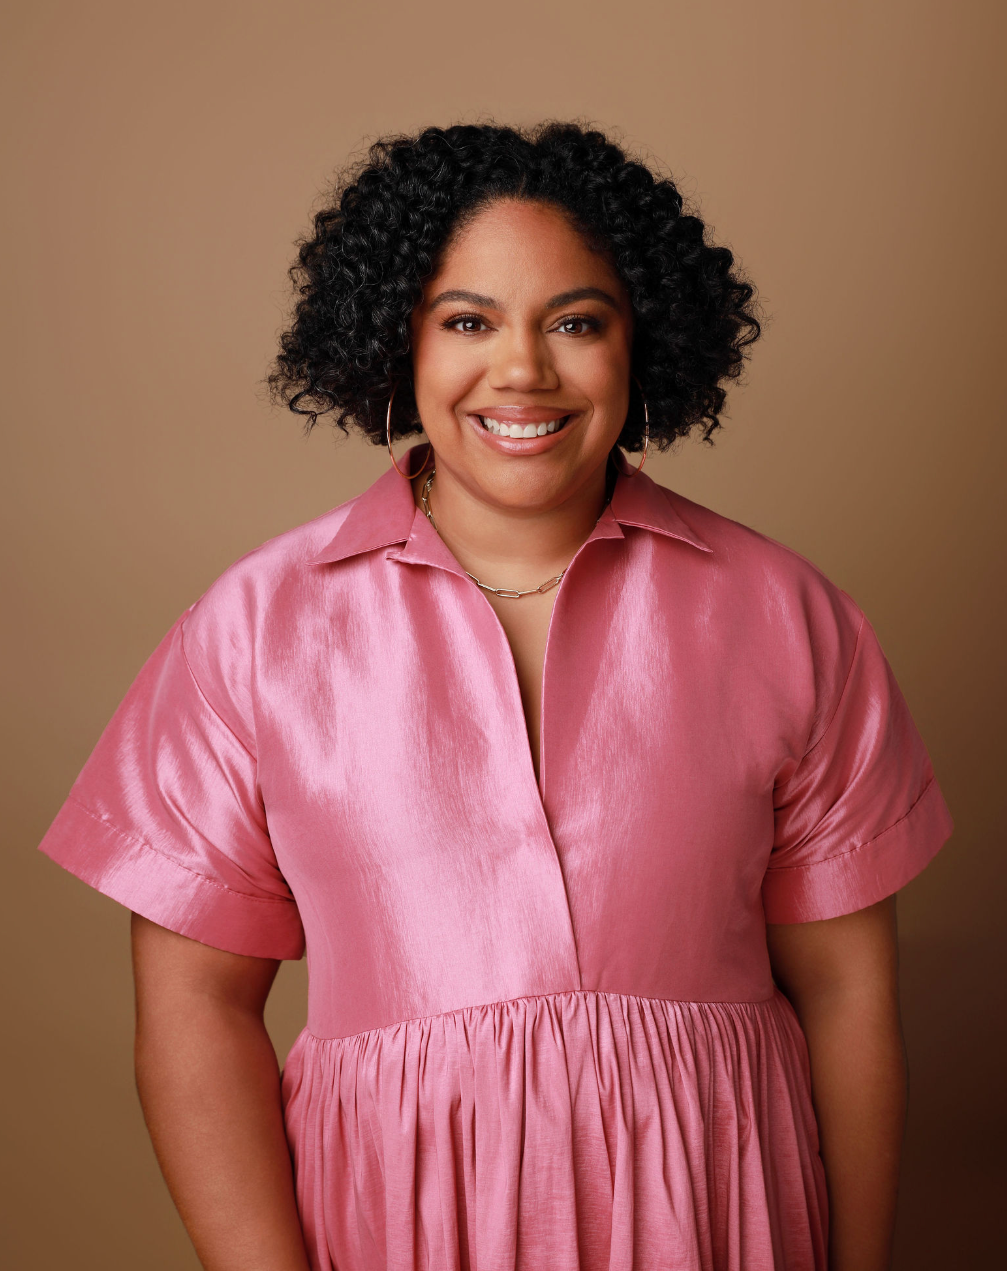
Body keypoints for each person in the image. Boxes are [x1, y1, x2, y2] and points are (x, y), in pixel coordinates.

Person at [39, 123, 954, 1271]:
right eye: (466, 321)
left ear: (643, 344)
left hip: (719, 1213)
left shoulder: (787, 614)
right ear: (395, 342)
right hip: (388, 1220)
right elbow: (194, 1010)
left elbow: (848, 994)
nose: (520, 369)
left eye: (574, 322)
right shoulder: (251, 630)